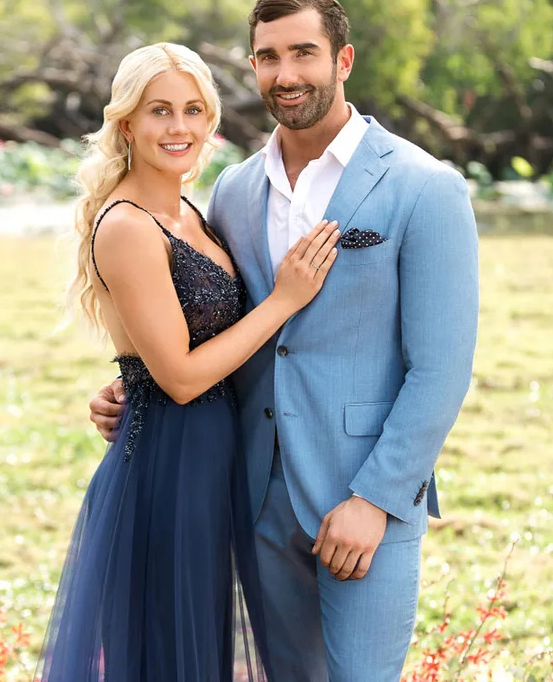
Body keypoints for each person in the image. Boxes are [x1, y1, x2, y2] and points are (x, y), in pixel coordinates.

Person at [89, 0, 480, 681]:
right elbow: (205, 314)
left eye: (304, 52)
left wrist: (377, 499)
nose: (287, 73)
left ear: (344, 59)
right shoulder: (234, 191)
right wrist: (134, 379)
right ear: (253, 68)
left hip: (363, 502)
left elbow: (441, 368)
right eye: (269, 57)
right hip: (250, 498)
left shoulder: (426, 188)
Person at [34, 41, 339, 682]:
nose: (178, 128)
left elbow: (169, 345)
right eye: (159, 111)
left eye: (193, 111)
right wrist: (284, 301)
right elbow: (177, 376)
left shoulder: (192, 214)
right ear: (127, 124)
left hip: (215, 460)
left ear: (211, 122)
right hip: (167, 470)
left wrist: (126, 379)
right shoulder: (127, 224)